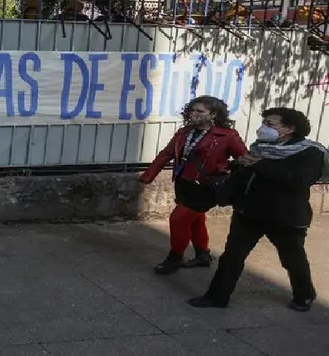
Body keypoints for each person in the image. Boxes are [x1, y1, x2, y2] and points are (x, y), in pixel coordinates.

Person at [190, 107, 327, 311]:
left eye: (270, 125)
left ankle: (304, 294)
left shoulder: (309, 152)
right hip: (249, 212)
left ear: (289, 129)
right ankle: (217, 297)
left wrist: (259, 164)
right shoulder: (261, 146)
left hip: (284, 217)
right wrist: (238, 165)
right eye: (264, 123)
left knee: (292, 258)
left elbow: (298, 181)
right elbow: (248, 175)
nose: (264, 128)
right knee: (232, 257)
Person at [139, 96, 248, 275]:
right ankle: (203, 255)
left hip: (206, 186)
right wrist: (148, 175)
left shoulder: (227, 135)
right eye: (192, 110)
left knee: (178, 219)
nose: (194, 114)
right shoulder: (184, 132)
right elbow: (166, 154)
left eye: (200, 111)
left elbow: (243, 158)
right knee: (196, 219)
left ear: (213, 114)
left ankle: (175, 258)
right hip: (183, 182)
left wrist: (225, 171)